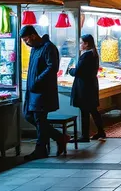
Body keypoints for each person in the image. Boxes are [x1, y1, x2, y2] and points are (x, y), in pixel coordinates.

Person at [20, 26, 67, 160]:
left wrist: (37, 81)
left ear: (33, 36)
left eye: (26, 39)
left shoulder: (48, 47)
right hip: (32, 92)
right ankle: (59, 137)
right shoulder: (35, 49)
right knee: (29, 116)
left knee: (40, 120)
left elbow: (52, 67)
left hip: (42, 92)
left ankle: (40, 150)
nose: (25, 43)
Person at [68, 34, 105, 142]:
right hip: (91, 85)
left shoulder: (86, 56)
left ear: (86, 44)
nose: (79, 45)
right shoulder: (93, 54)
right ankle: (101, 131)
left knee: (85, 111)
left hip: (84, 87)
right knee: (93, 110)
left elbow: (79, 71)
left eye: (81, 43)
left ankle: (85, 136)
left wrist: (71, 70)